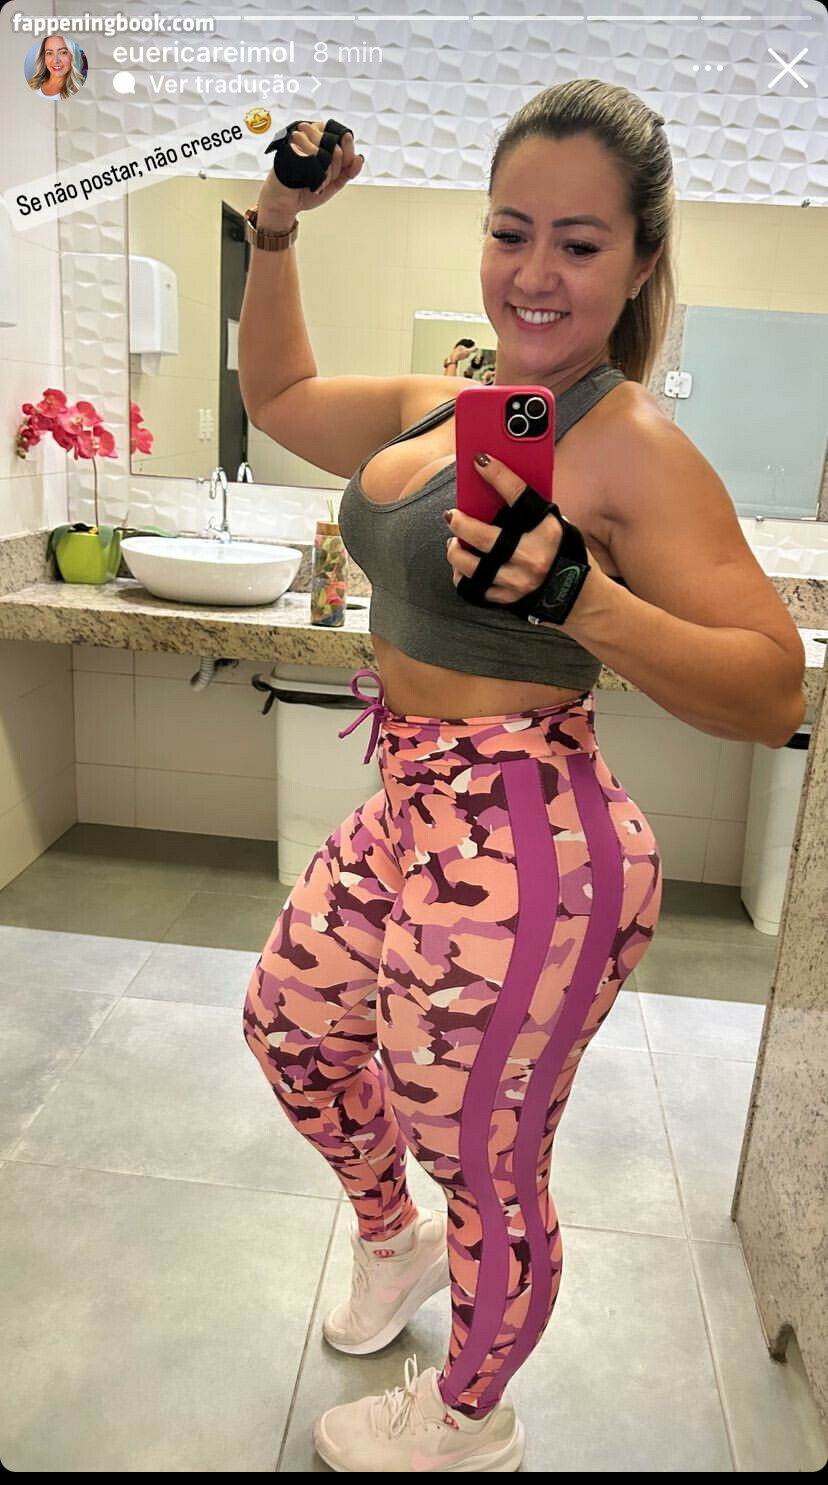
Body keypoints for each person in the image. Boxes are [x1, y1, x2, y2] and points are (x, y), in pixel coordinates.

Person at [238, 84, 805, 1473]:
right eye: (511, 232)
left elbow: (772, 687)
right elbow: (280, 399)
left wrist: (579, 599)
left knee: (483, 1160)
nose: (536, 272)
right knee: (292, 1027)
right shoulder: (459, 402)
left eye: (580, 242)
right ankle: (392, 1243)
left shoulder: (632, 446)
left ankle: (470, 1418)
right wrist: (275, 228)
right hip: (406, 808)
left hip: (531, 848)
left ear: (641, 262)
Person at [27, 34, 84, 99]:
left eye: (63, 52)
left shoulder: (81, 91)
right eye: (49, 53)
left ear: (73, 56)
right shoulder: (33, 83)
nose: (55, 61)